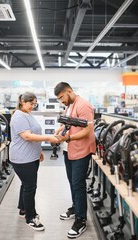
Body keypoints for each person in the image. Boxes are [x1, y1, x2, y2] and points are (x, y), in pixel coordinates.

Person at [9, 92, 59, 231]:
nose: (33, 106)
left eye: (35, 104)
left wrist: (39, 151)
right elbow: (27, 136)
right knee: (30, 187)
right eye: (31, 103)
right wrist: (48, 138)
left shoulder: (27, 115)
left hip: (31, 156)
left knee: (26, 185)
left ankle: (23, 210)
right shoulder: (19, 116)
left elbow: (33, 134)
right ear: (22, 102)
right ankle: (30, 218)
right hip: (22, 158)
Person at [54, 82, 96, 239]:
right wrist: (60, 130)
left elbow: (88, 130)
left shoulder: (83, 105)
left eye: (61, 97)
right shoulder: (70, 105)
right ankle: (75, 207)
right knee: (72, 182)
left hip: (81, 150)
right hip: (69, 149)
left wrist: (69, 137)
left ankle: (81, 220)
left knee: (78, 184)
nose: (61, 101)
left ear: (69, 91)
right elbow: (69, 123)